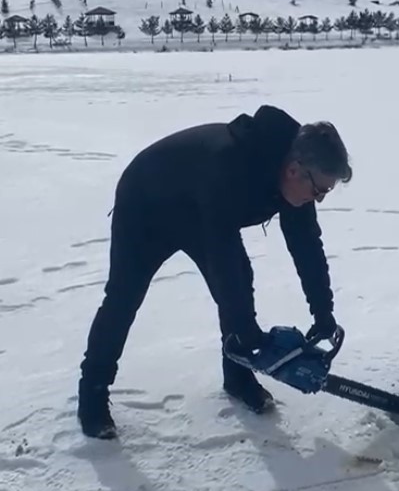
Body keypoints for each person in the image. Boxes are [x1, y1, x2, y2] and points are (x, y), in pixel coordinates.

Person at [77, 104, 352, 439]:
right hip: (147, 202)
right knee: (124, 296)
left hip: (198, 208)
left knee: (240, 279)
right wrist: (248, 332)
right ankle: (92, 391)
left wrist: (323, 311)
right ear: (295, 170)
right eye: (319, 190)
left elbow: (307, 246)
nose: (319, 199)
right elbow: (222, 259)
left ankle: (237, 375)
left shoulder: (295, 183)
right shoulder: (230, 166)